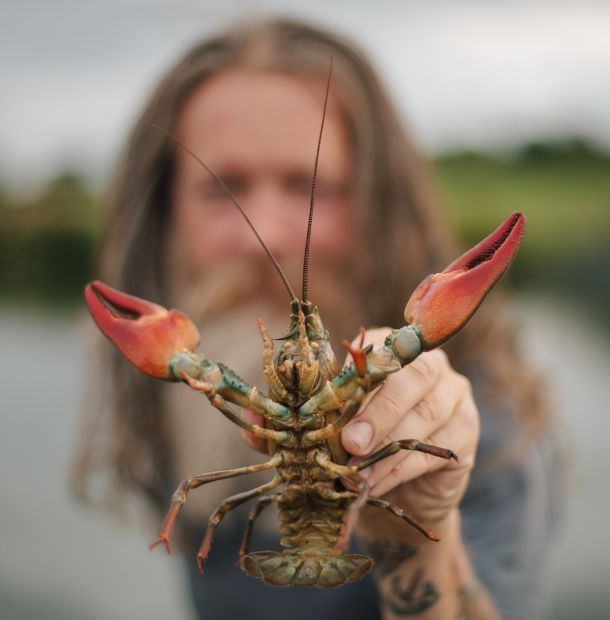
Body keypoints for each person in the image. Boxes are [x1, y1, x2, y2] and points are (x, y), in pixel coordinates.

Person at [73, 17, 559, 619]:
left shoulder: (480, 430)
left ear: (379, 205)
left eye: (310, 187)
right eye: (223, 187)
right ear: (164, 212)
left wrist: (416, 538)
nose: (267, 236)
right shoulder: (178, 405)